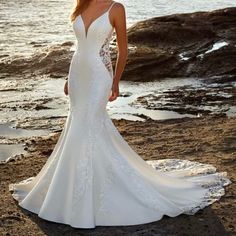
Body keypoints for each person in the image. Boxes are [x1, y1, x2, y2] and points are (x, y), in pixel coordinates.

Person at [9, 0, 231, 229]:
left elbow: (123, 50)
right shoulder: (81, 6)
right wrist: (68, 78)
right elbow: (80, 47)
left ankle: (92, 190)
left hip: (98, 76)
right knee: (76, 126)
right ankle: (70, 185)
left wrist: (115, 81)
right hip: (78, 73)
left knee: (90, 125)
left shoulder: (116, 8)